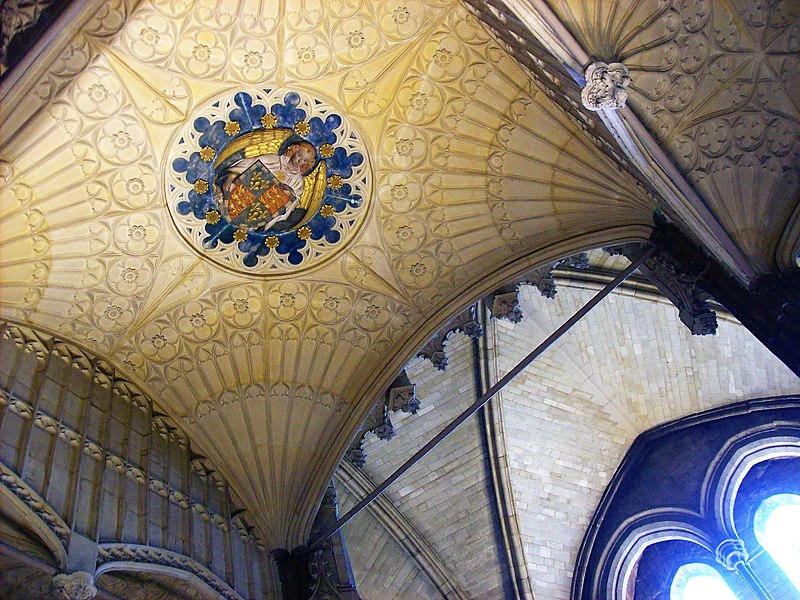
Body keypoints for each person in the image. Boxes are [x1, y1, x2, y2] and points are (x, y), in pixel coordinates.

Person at [216, 141, 316, 230]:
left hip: (255, 215)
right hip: (234, 200)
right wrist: (231, 177)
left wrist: (290, 193)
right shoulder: (272, 159)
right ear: (294, 150)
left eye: (304, 160)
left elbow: (292, 203)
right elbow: (245, 166)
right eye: (299, 155)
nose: (299, 161)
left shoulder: (298, 181)